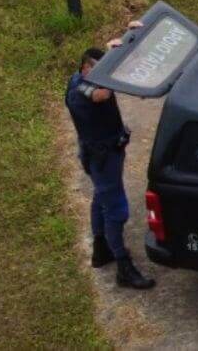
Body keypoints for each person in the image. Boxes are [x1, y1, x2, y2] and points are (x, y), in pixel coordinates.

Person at [67, 37, 156, 290]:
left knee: (100, 198)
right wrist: (112, 66)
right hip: (102, 158)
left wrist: (125, 40)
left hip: (106, 154)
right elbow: (100, 94)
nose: (102, 74)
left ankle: (101, 248)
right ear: (85, 68)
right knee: (117, 210)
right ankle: (123, 266)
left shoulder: (85, 77)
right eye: (97, 70)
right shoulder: (80, 90)